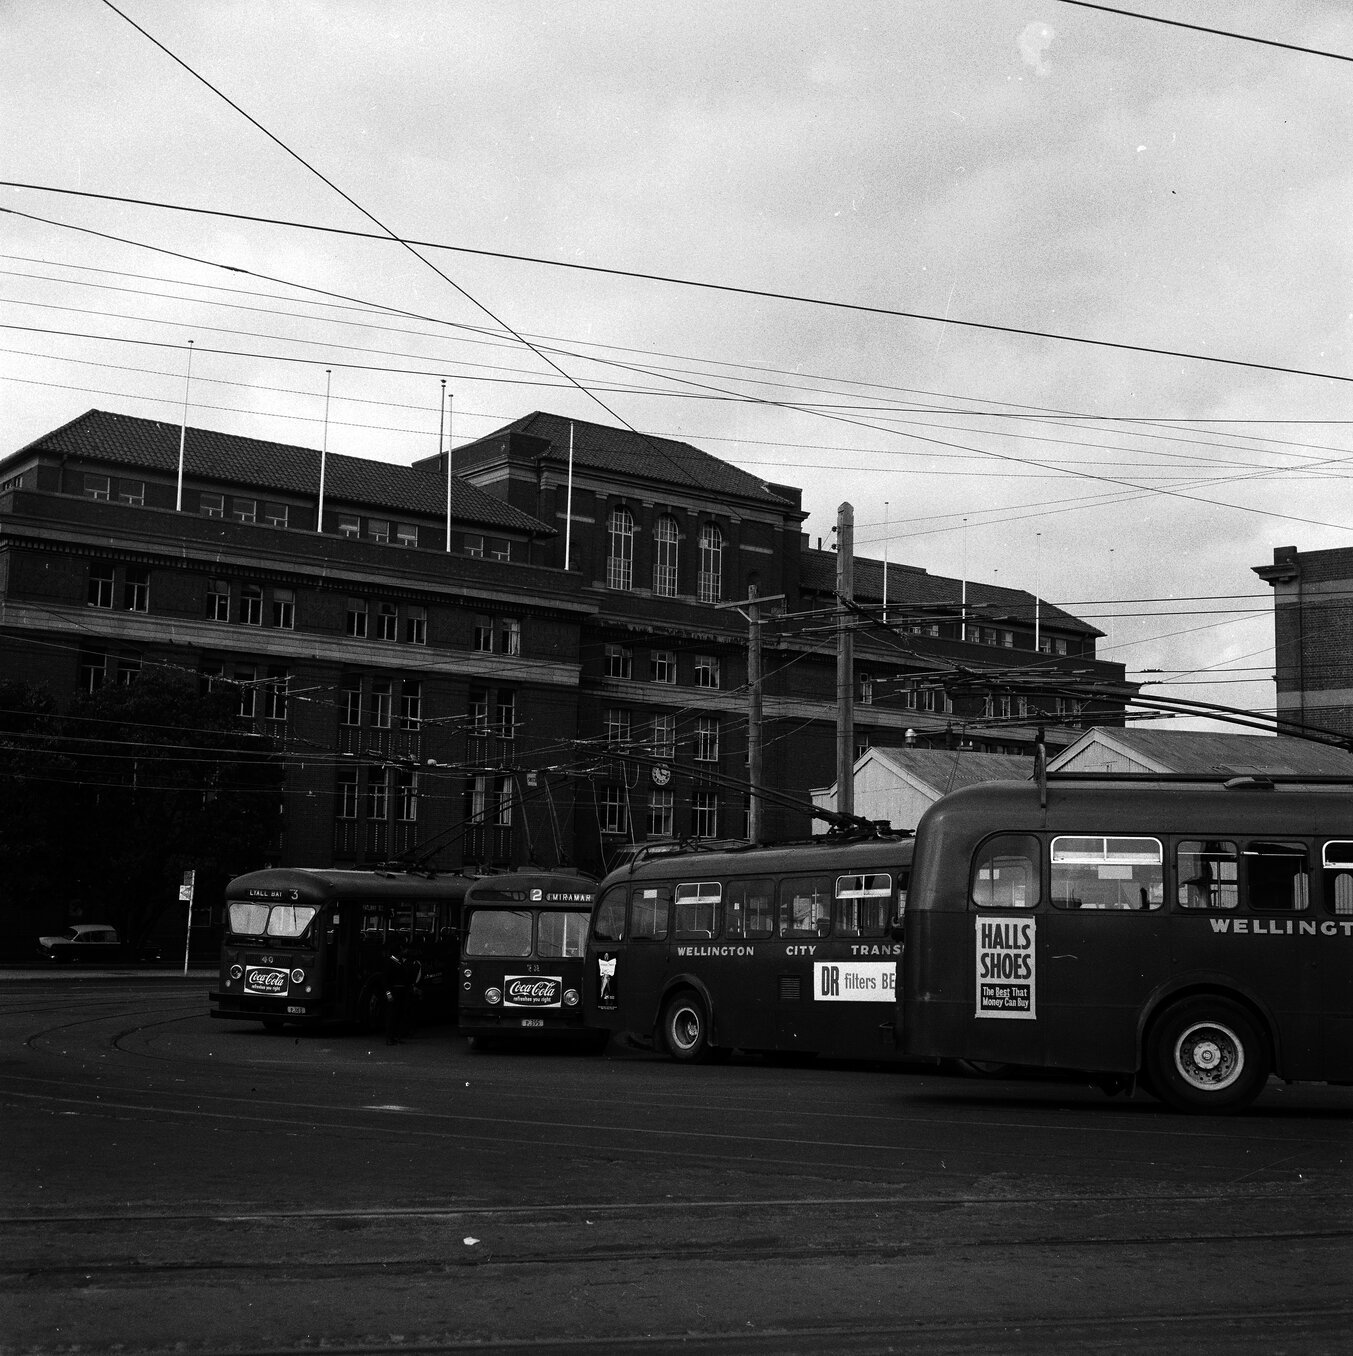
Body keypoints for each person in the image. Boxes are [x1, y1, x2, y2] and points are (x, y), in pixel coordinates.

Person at [383, 938, 413, 1045]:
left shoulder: (399, 961)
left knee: (399, 1014)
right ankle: (389, 1037)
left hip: (401, 991)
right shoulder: (391, 961)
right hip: (394, 991)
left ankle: (396, 1036)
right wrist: (388, 993)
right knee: (391, 1015)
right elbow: (386, 980)